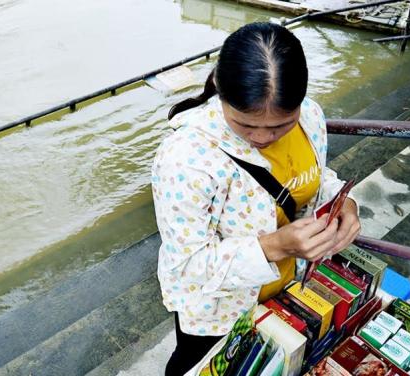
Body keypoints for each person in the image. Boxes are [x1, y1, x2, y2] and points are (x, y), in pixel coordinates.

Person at [151, 22, 361, 376]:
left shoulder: (310, 116)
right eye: (245, 125)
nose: (263, 137)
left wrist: (346, 205)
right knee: (203, 366)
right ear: (221, 90)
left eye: (281, 125)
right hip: (219, 312)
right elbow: (186, 268)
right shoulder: (185, 158)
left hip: (289, 290)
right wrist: (276, 246)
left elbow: (312, 178)